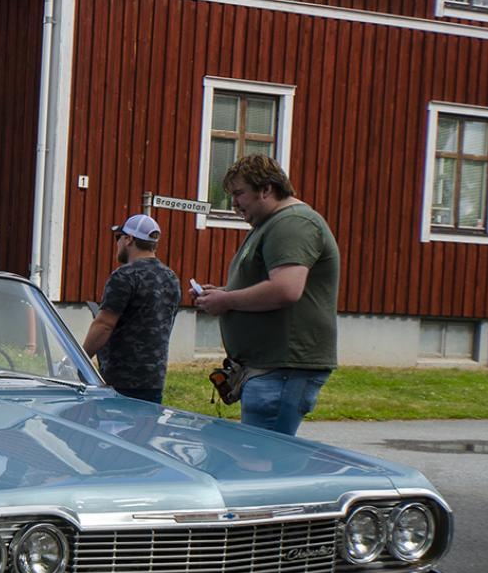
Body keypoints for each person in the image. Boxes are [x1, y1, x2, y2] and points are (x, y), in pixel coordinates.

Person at [194, 154, 339, 436]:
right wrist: (222, 293)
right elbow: (270, 283)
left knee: (262, 457)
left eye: (239, 193)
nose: (234, 203)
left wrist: (226, 300)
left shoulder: (293, 223)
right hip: (269, 369)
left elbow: (286, 289)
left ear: (266, 189)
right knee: (259, 454)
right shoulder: (270, 223)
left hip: (282, 369)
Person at [82, 213, 180, 403]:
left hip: (120, 381)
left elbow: (104, 325)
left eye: (118, 237)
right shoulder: (171, 278)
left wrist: (79, 360)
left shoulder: (125, 275)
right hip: (154, 380)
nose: (117, 243)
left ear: (129, 239)